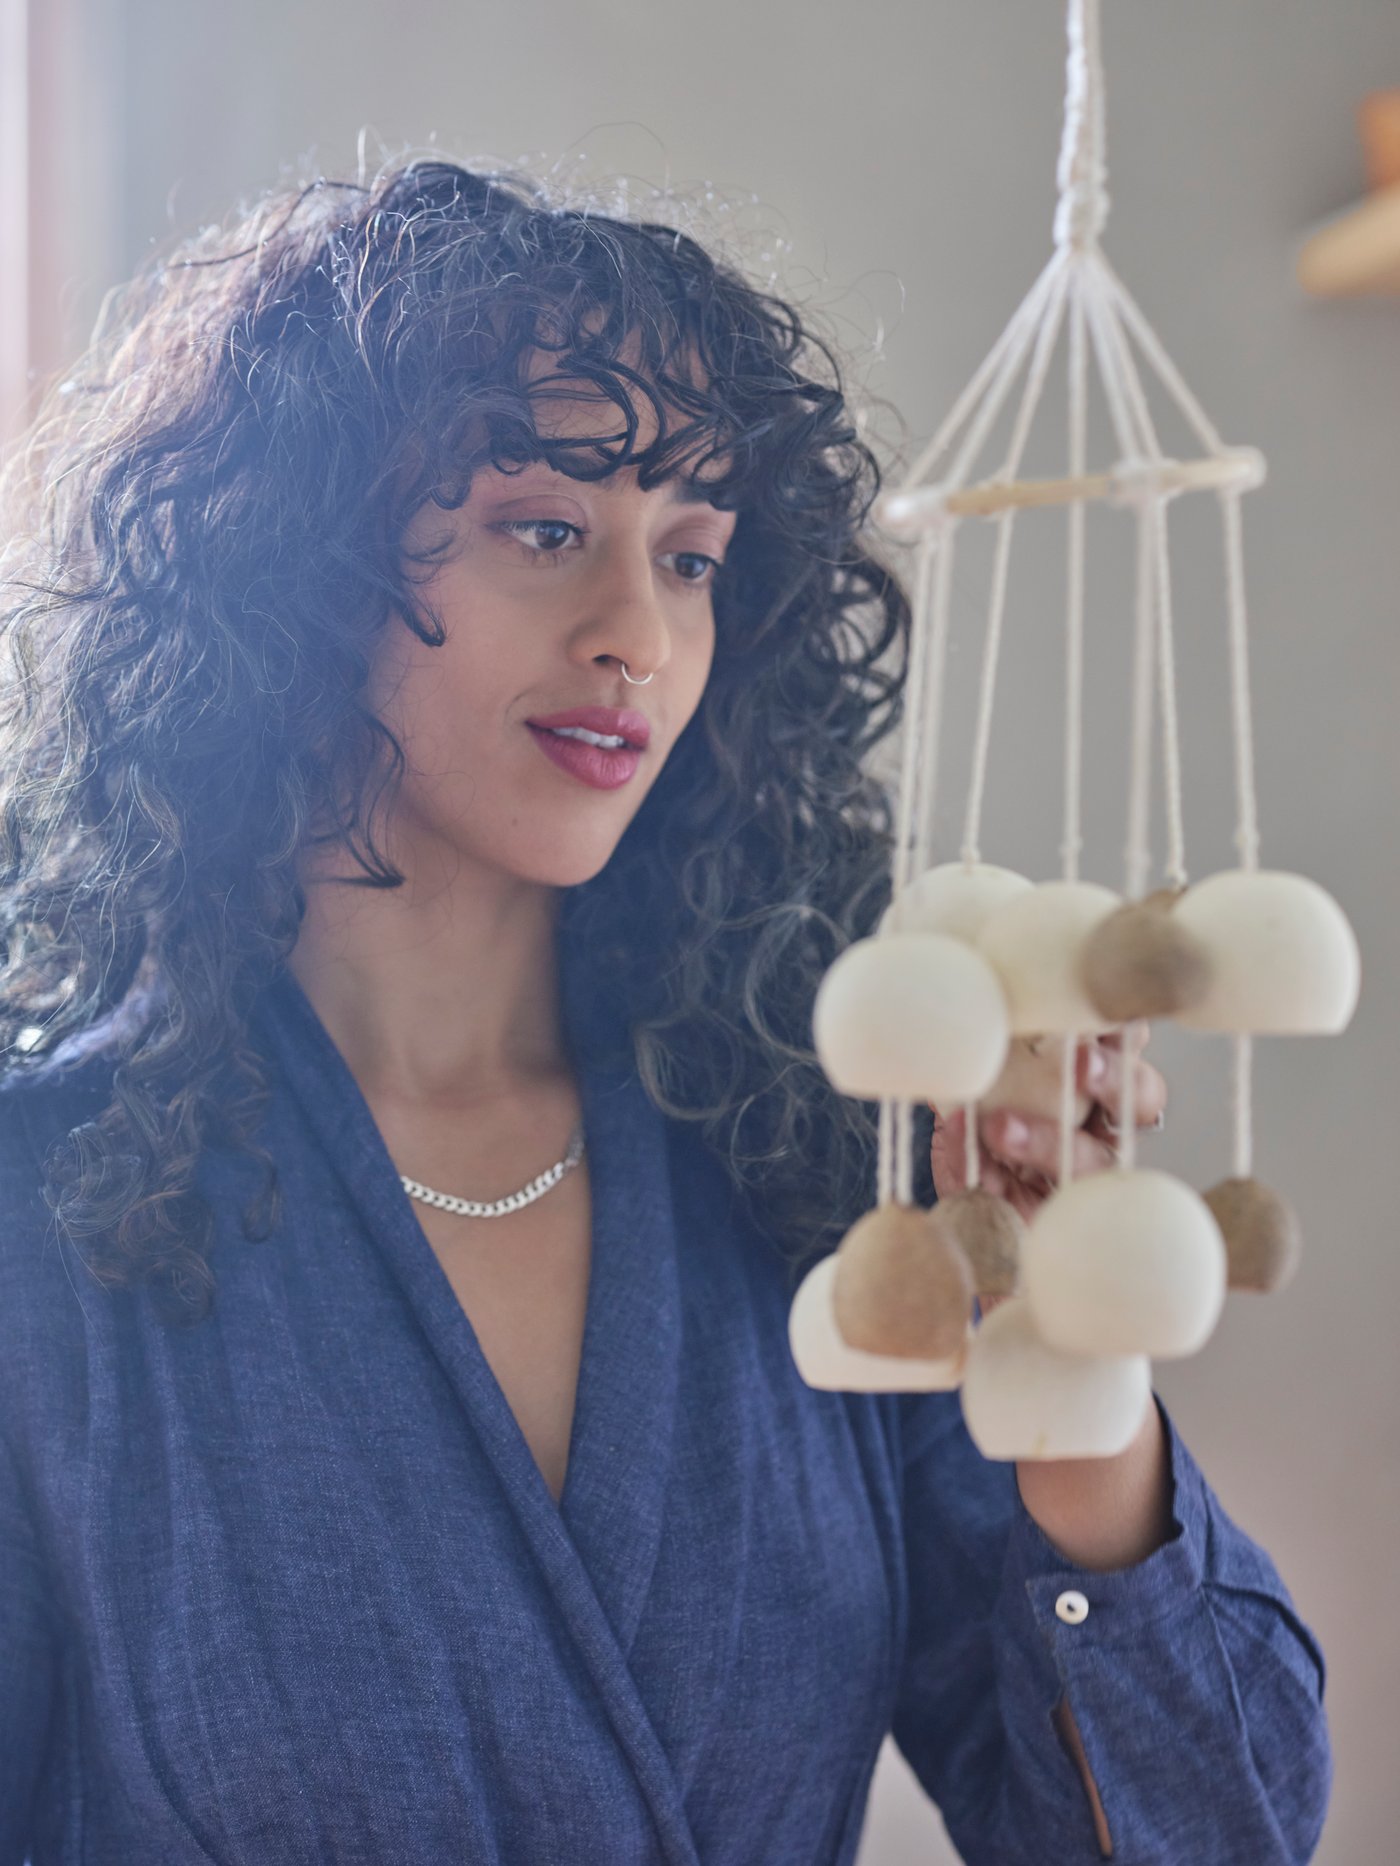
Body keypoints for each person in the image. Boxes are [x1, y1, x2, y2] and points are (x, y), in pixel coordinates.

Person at [0, 158, 1330, 1864]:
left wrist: (1076, 1374)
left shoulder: (820, 1177)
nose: (637, 632)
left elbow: (1206, 1840)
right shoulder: (45, 1222)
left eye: (692, 558)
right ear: (305, 565)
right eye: (544, 530)